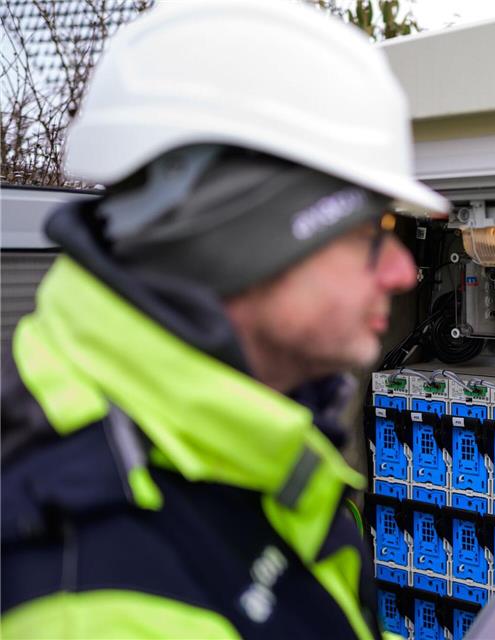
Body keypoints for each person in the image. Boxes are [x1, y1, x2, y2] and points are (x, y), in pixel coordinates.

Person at [0, 1, 448, 638]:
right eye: (373, 230)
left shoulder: (243, 434)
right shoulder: (92, 598)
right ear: (247, 236)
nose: (403, 273)